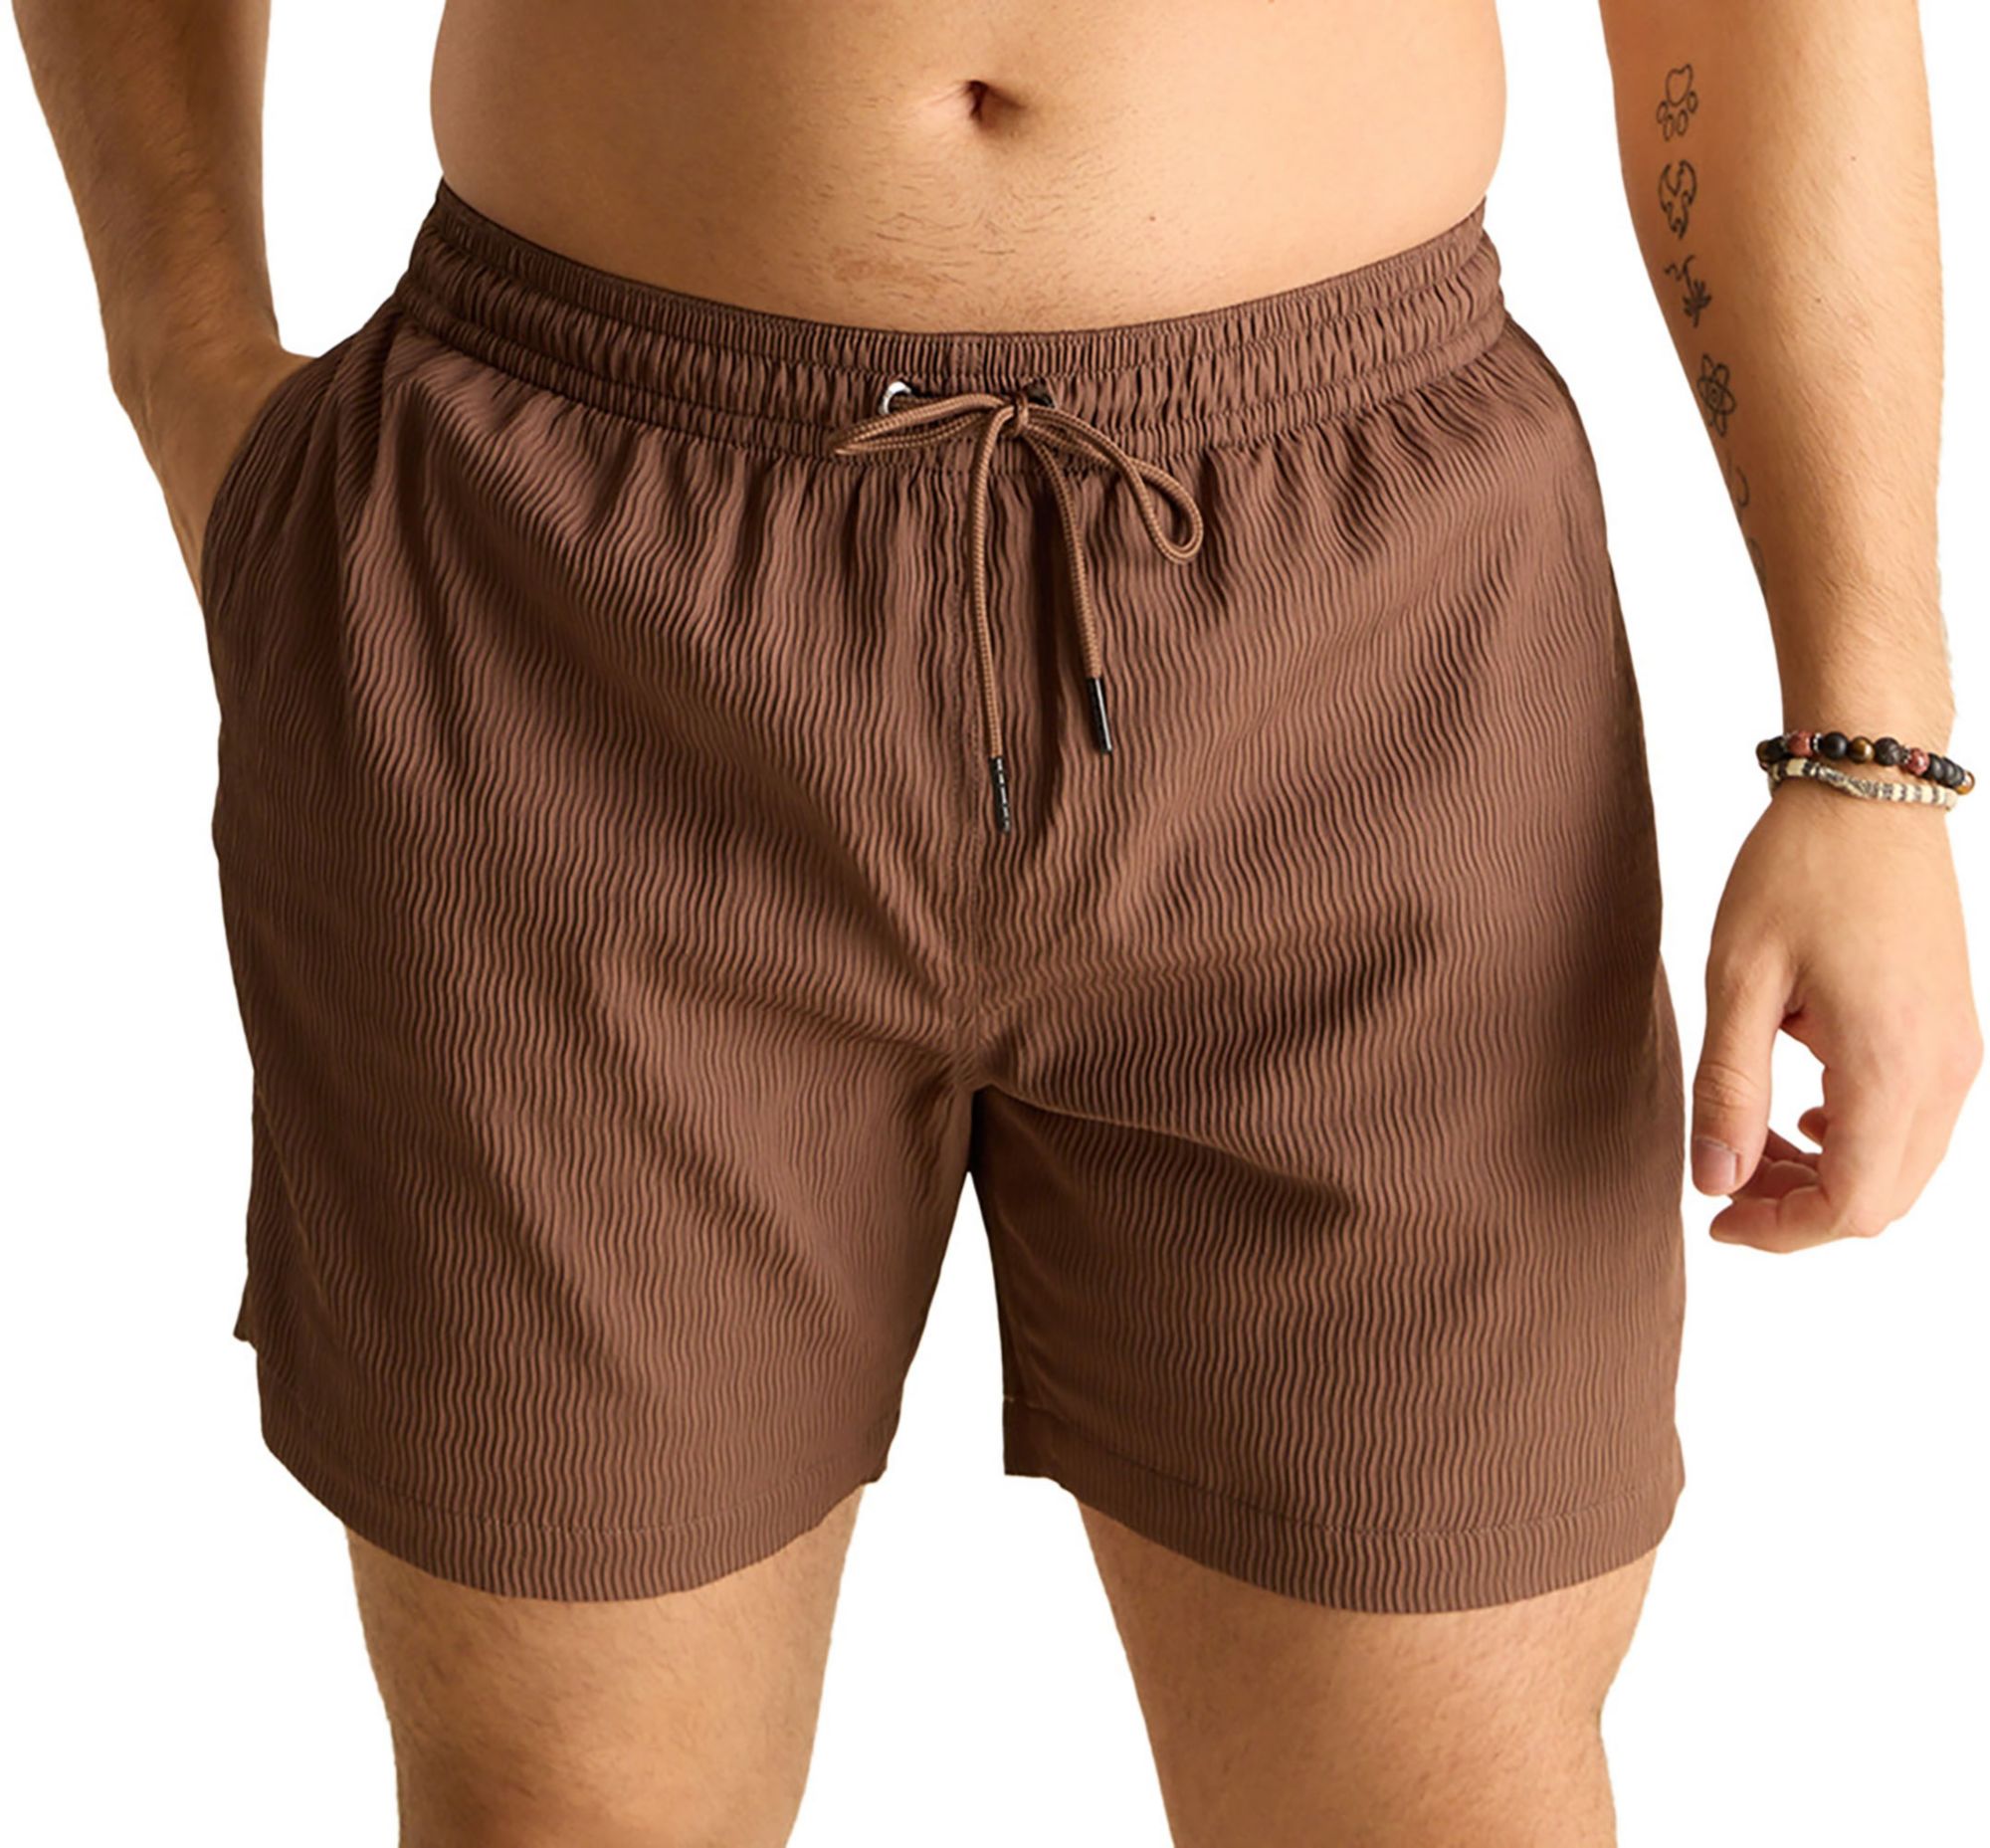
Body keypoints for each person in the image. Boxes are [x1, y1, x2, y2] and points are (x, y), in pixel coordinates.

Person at [14, 2, 1980, 1843]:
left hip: (1362, 630)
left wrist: (1870, 746)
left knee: (1443, 1800)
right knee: (569, 1812)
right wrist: (183, 350)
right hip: (565, 607)